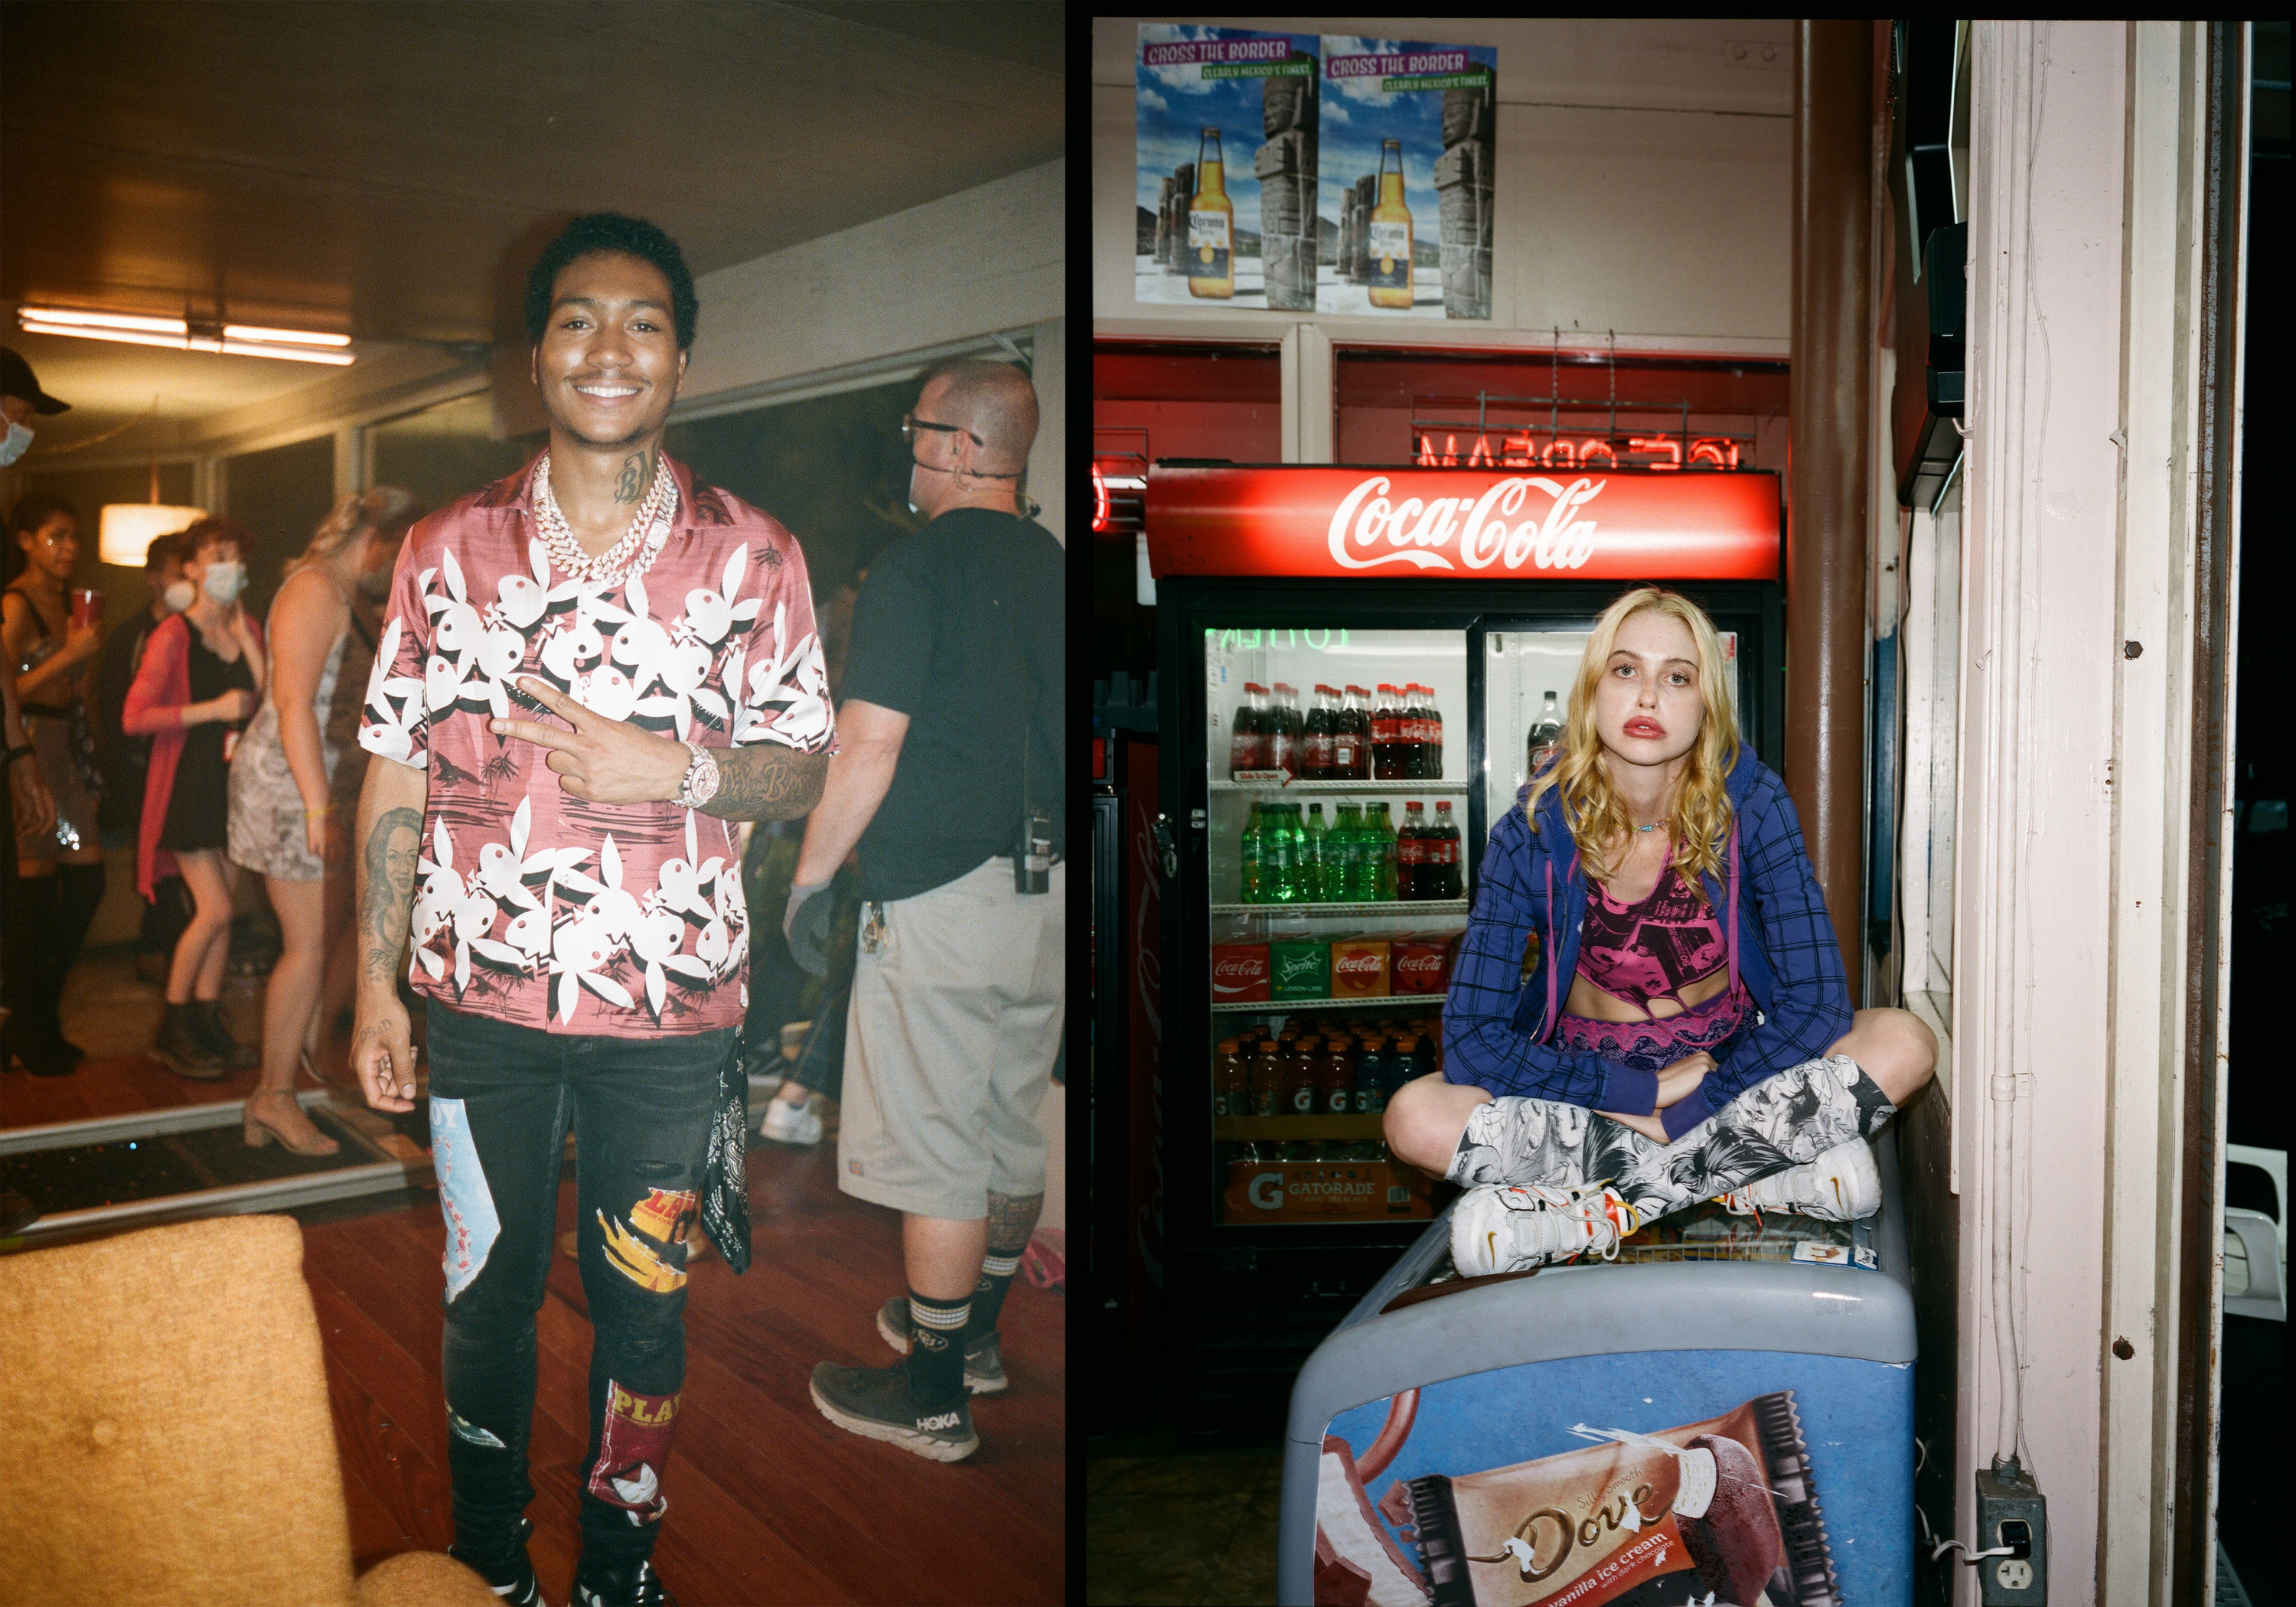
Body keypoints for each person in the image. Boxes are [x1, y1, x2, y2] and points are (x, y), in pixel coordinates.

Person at [351, 212, 831, 1607]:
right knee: (482, 1294)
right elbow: (393, 763)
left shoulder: (755, 556)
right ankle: (490, 1561)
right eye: (576, 319)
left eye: (641, 323)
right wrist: (375, 986)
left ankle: (620, 1571)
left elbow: (799, 769)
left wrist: (669, 767)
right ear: (537, 355)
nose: (607, 347)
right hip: (478, 1001)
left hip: (672, 1011)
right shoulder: (449, 550)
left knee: (647, 1306)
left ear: (681, 358)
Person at [1380, 588, 1937, 1276]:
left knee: (1904, 1041)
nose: (1648, 696)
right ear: (1592, 691)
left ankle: (1594, 1214)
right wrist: (1639, 1096)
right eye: (1625, 670)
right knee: (1414, 1115)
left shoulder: (1753, 804)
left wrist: (1695, 1104)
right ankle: (1755, 1177)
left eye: (1678, 676)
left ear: (1707, 704)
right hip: (1586, 1101)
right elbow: (1471, 1041)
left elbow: (1817, 1001)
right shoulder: (1530, 829)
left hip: (1732, 1083)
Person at [781, 358, 1062, 1462]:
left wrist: (810, 880)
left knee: (939, 1152)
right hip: (1039, 896)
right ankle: (974, 1340)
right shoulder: (1054, 563)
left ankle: (934, 1399)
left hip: (940, 896)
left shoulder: (914, 569)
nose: (909, 454)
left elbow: (869, 742)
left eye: (916, 434)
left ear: (952, 445)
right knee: (1003, 1124)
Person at [226, 487, 413, 1154]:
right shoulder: (312, 589)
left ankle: (302, 1062)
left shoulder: (346, 594)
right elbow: (293, 705)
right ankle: (273, 1097)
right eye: (397, 550)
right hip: (288, 782)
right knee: (306, 947)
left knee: (337, 935)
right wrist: (316, 806)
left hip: (322, 781)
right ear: (374, 539)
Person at [121, 516, 266, 1077]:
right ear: (190, 567)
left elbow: (272, 698)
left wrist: (245, 636)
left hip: (234, 786)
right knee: (217, 908)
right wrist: (211, 709)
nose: (227, 563)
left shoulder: (246, 626)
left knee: (223, 918)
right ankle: (173, 1022)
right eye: (215, 554)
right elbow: (135, 716)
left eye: (234, 554)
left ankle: (207, 1023)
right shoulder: (173, 634)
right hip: (188, 787)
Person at [2, 491, 106, 1075]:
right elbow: (5, 693)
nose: (69, 546)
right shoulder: (15, 604)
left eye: (73, 535)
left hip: (63, 753)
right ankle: (30, 1027)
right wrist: (69, 657)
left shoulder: (69, 603)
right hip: (28, 754)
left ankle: (34, 1016)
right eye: (55, 536)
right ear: (25, 541)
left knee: (87, 885)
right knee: (34, 904)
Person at [93, 528, 200, 980]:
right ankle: (159, 954)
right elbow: (115, 716)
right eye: (180, 572)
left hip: (197, 770)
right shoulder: (130, 638)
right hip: (144, 773)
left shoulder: (205, 629)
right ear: (155, 578)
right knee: (160, 870)